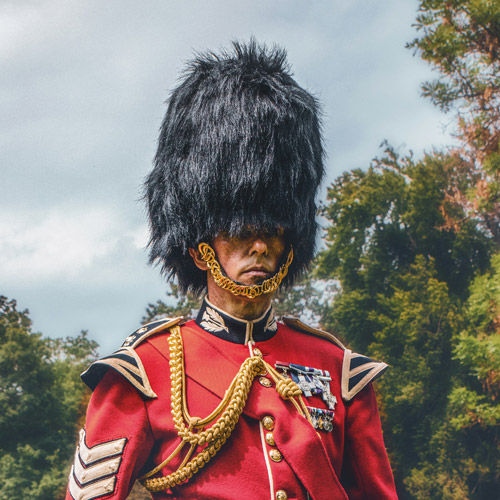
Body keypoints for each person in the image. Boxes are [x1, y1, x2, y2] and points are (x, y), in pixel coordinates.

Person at [66, 40, 398, 500]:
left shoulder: (339, 371)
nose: (259, 246)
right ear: (202, 248)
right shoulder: (145, 370)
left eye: (273, 231)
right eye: (241, 230)